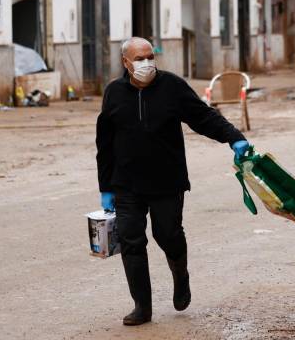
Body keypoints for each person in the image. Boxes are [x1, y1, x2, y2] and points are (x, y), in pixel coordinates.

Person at [96, 37, 250, 326]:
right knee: (131, 240)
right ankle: (142, 306)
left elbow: (203, 117)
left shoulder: (172, 86)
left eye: (149, 57)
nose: (146, 63)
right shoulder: (114, 93)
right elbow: (104, 144)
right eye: (139, 59)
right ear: (125, 63)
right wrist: (106, 187)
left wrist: (234, 138)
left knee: (167, 235)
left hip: (167, 180)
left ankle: (181, 274)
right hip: (126, 184)